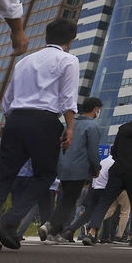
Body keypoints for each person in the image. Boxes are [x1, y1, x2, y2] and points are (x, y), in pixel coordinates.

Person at [0, 19, 78, 252]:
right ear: (71, 40)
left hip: (16, 119)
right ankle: (9, 220)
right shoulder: (69, 60)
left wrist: (14, 122)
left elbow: (7, 100)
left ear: (46, 37)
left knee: (3, 176)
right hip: (45, 121)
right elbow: (68, 98)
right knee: (45, 174)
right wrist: (70, 127)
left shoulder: (25, 61)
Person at [83, 103, 132, 246]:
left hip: (117, 170)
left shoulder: (123, 129)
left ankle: (92, 232)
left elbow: (114, 150)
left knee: (105, 201)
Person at [42, 97, 102, 244]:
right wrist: (96, 167)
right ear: (95, 109)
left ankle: (54, 233)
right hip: (79, 168)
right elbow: (93, 150)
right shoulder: (92, 127)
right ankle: (49, 226)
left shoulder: (69, 124)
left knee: (65, 199)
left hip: (63, 167)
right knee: (69, 201)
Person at [62, 152, 113, 242]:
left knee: (89, 213)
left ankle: (70, 229)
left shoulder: (103, 161)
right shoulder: (114, 163)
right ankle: (91, 232)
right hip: (104, 189)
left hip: (94, 188)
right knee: (100, 211)